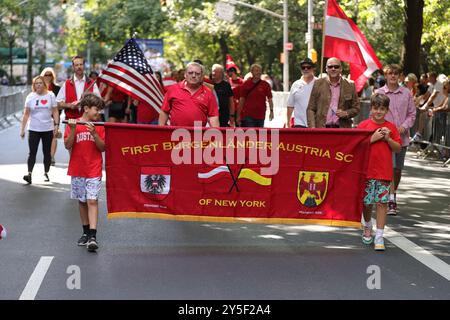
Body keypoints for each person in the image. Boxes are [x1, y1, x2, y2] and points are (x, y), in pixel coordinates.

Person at [358, 93, 401, 251]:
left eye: (382, 109)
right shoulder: (363, 126)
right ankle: (368, 225)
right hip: (366, 172)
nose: (378, 112)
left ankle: (380, 236)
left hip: (384, 172)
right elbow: (356, 147)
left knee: (382, 203)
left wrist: (388, 139)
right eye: (376, 108)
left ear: (387, 110)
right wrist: (372, 138)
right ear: (371, 109)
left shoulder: (391, 127)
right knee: (367, 202)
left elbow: (397, 148)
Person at [64, 94, 105, 252]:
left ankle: (93, 235)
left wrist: (94, 133)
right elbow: (68, 145)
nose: (99, 112)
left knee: (92, 200)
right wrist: (73, 129)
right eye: (96, 109)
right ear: (86, 109)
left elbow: (102, 148)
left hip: (94, 168)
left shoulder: (99, 125)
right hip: (78, 168)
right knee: (81, 201)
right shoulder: (73, 124)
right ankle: (85, 231)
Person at [375, 64, 416, 215]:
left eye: (396, 73)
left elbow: (412, 114)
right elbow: (375, 113)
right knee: (389, 168)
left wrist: (404, 127)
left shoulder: (406, 93)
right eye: (390, 73)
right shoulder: (379, 93)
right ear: (385, 75)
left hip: (402, 138)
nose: (393, 76)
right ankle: (390, 198)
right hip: (385, 137)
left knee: (397, 169)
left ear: (400, 76)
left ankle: (394, 192)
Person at [20, 76, 60, 184]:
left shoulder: (50, 95)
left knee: (47, 153)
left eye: (40, 83)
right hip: (33, 129)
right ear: (34, 85)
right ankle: (29, 174)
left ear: (44, 84)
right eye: (36, 83)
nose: (38, 85)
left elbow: (55, 111)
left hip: (47, 129)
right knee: (32, 152)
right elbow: (26, 114)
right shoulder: (30, 97)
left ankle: (46, 171)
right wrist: (22, 129)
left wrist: (56, 125)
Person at [159, 62, 219, 127]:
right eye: (190, 73)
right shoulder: (173, 89)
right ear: (185, 75)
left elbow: (213, 116)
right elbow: (164, 111)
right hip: (175, 133)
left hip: (198, 134)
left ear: (201, 76)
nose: (193, 76)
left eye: (197, 73)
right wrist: (161, 130)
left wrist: (215, 133)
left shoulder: (208, 93)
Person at [306, 57, 360, 128]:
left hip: (342, 130)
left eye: (336, 67)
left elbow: (356, 108)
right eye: (330, 66)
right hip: (322, 129)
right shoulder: (318, 84)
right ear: (326, 69)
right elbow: (311, 108)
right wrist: (312, 128)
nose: (333, 69)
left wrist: (346, 113)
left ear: (341, 69)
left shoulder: (350, 85)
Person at [56, 56, 101, 123]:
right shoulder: (67, 83)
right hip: (71, 123)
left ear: (84, 66)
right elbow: (58, 104)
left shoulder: (92, 83)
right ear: (73, 67)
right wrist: (70, 105)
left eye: (81, 64)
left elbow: (99, 103)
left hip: (88, 123)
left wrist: (89, 100)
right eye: (76, 65)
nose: (79, 67)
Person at [286, 58, 317, 128]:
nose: (306, 69)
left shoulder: (319, 83)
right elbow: (290, 105)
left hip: (315, 123)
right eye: (303, 68)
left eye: (308, 67)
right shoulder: (295, 84)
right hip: (299, 124)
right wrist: (288, 122)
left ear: (312, 69)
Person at [40, 67, 61, 166]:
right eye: (46, 75)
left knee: (54, 136)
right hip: (42, 118)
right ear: (42, 76)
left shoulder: (57, 89)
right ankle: (47, 155)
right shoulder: (39, 88)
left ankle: (51, 157)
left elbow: (59, 104)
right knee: (45, 138)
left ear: (53, 77)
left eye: (50, 75)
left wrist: (56, 118)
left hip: (54, 117)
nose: (48, 77)